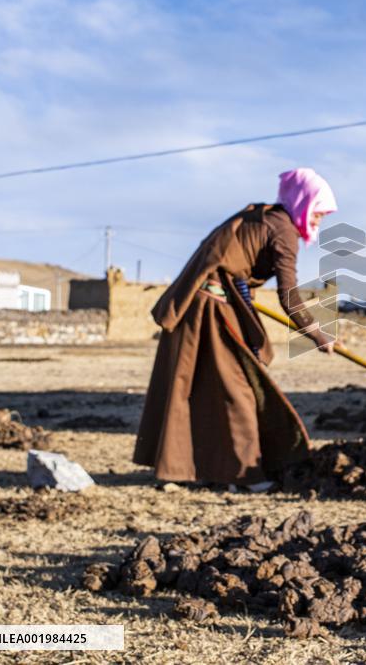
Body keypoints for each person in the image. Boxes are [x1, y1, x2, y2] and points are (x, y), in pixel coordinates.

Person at [133, 168, 338, 491]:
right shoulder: (282, 231)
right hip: (210, 309)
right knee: (237, 388)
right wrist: (316, 334)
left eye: (322, 217)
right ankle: (245, 474)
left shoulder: (262, 218)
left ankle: (215, 469)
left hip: (206, 304)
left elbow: (234, 263)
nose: (317, 222)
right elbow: (289, 294)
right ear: (302, 202)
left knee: (207, 389)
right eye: (317, 212)